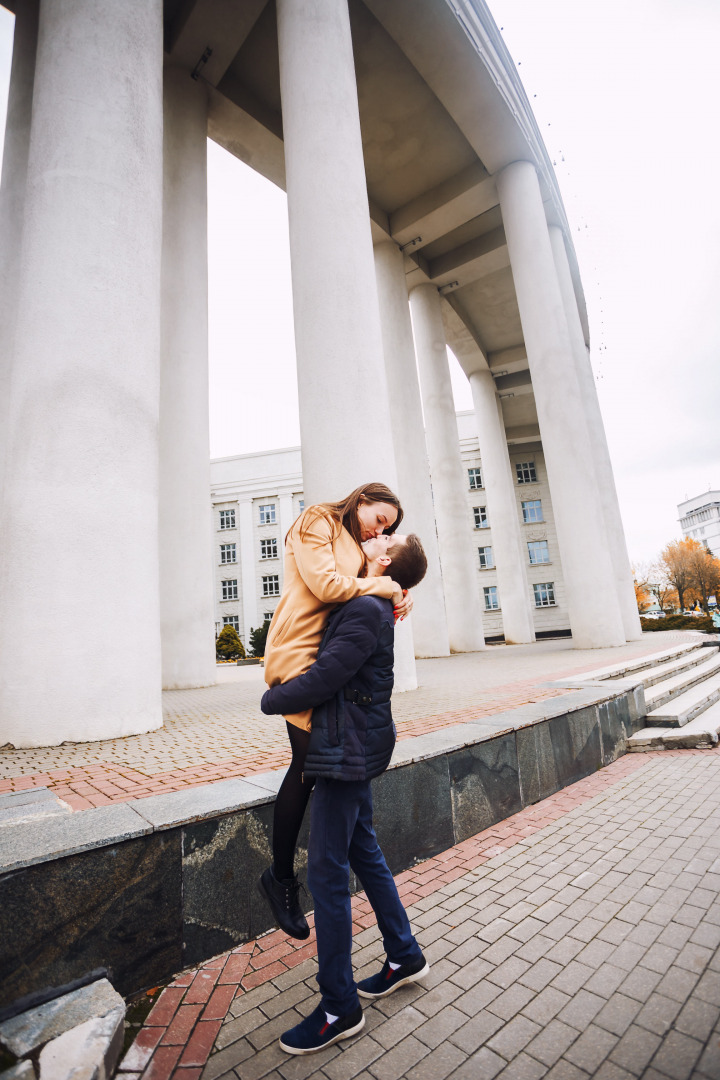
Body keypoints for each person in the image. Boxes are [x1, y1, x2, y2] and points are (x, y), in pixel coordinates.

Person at [260, 531, 430, 1055]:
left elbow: (328, 674)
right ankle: (404, 954)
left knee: (328, 877)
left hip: (342, 752)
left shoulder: (366, 611)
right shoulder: (373, 603)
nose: (373, 539)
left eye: (384, 540)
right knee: (366, 852)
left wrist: (275, 698)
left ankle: (339, 1007)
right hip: (355, 744)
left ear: (384, 563)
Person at [258, 483, 413, 939]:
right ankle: (281, 879)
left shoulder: (356, 543)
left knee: (316, 769)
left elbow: (369, 583)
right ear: (362, 499)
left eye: (388, 527)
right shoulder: (318, 521)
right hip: (298, 647)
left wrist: (394, 588)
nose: (380, 528)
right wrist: (384, 584)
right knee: (306, 766)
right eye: (380, 517)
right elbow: (327, 586)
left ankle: (285, 878)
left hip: (324, 652)